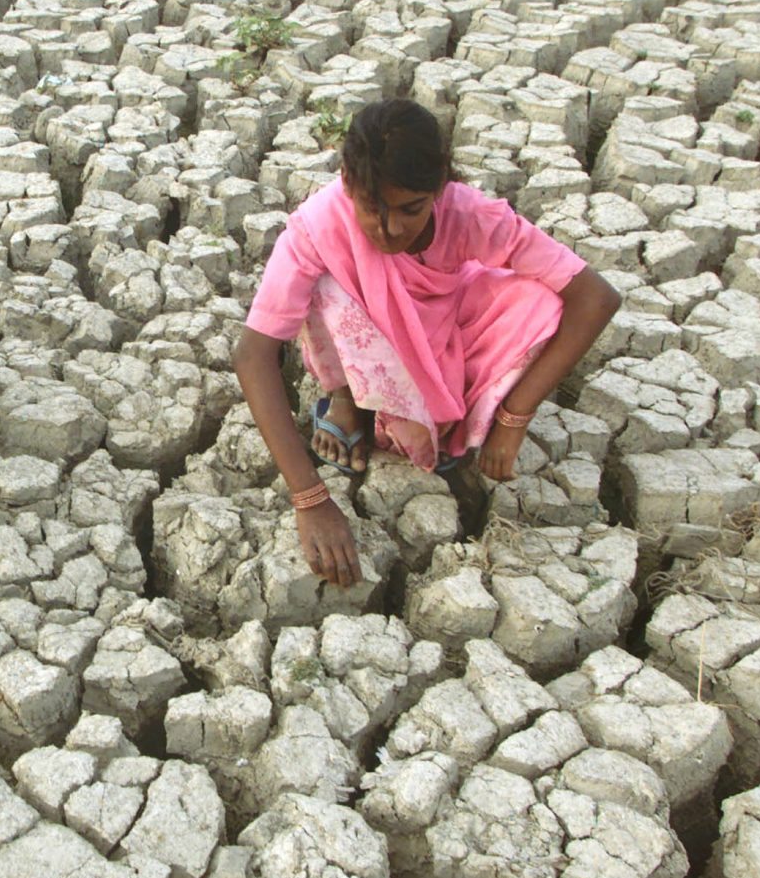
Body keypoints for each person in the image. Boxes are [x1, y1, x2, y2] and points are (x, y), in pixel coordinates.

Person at [233, 98, 621, 588]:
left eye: (410, 210)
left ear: (438, 189)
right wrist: (310, 499)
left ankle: (440, 406)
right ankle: (349, 399)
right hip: (362, 348)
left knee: (541, 300)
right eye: (372, 210)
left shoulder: (469, 215)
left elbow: (595, 296)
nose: (389, 230)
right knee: (328, 288)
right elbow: (253, 354)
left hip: (439, 333)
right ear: (348, 184)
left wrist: (513, 415)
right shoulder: (318, 226)